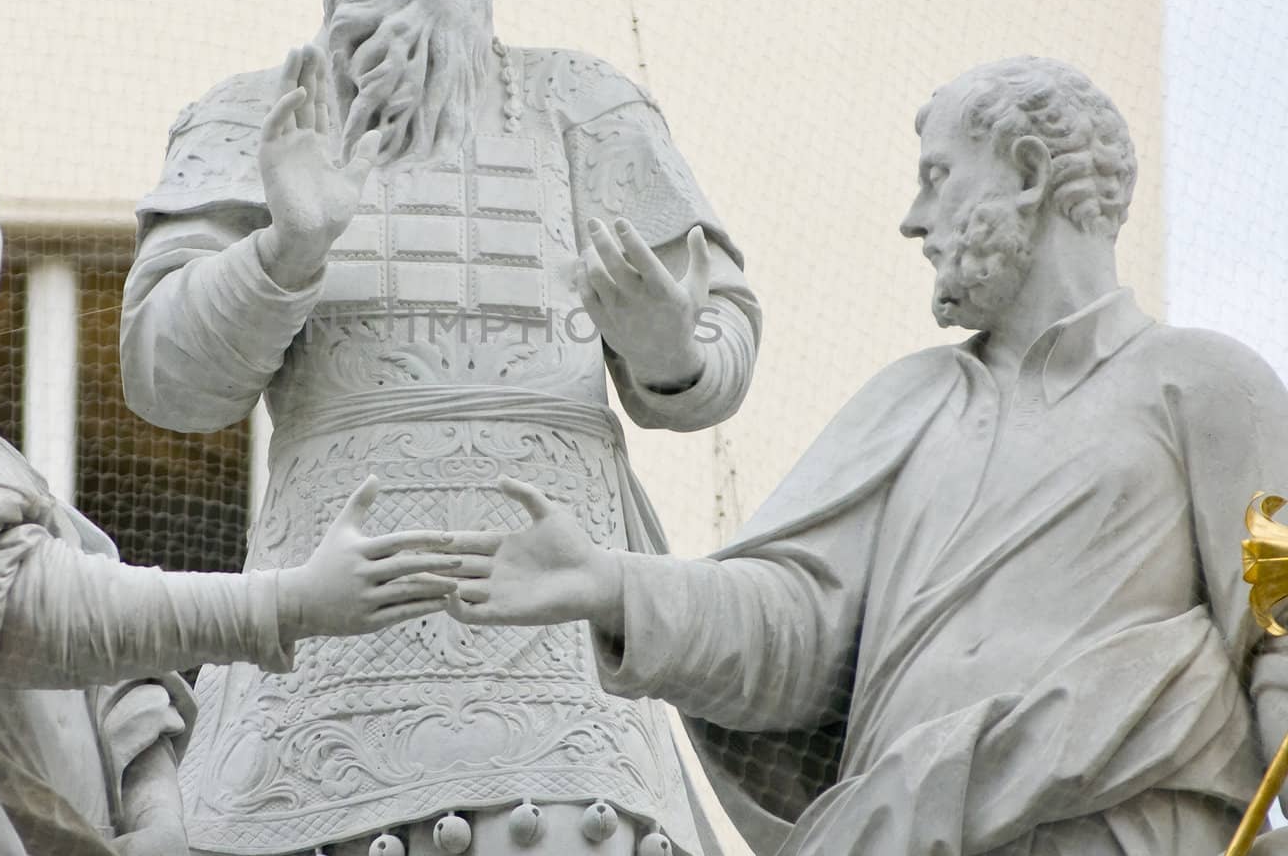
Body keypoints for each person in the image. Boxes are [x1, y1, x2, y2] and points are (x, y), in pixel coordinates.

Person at [119, 0, 760, 851]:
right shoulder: (252, 113)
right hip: (329, 647)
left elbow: (720, 340)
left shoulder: (588, 109)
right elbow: (164, 377)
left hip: (556, 663)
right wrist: (286, 250)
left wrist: (668, 347)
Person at [448, 57, 1288, 855]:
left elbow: (1280, 633)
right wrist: (616, 584)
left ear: (1029, 173)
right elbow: (795, 626)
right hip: (902, 829)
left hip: (1123, 822)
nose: (914, 219)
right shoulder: (912, 402)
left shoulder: (1206, 383)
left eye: (938, 177)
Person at [0, 94, 470, 856]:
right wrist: (286, 601)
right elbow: (17, 611)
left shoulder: (10, 482)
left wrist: (156, 808)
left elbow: (122, 686)